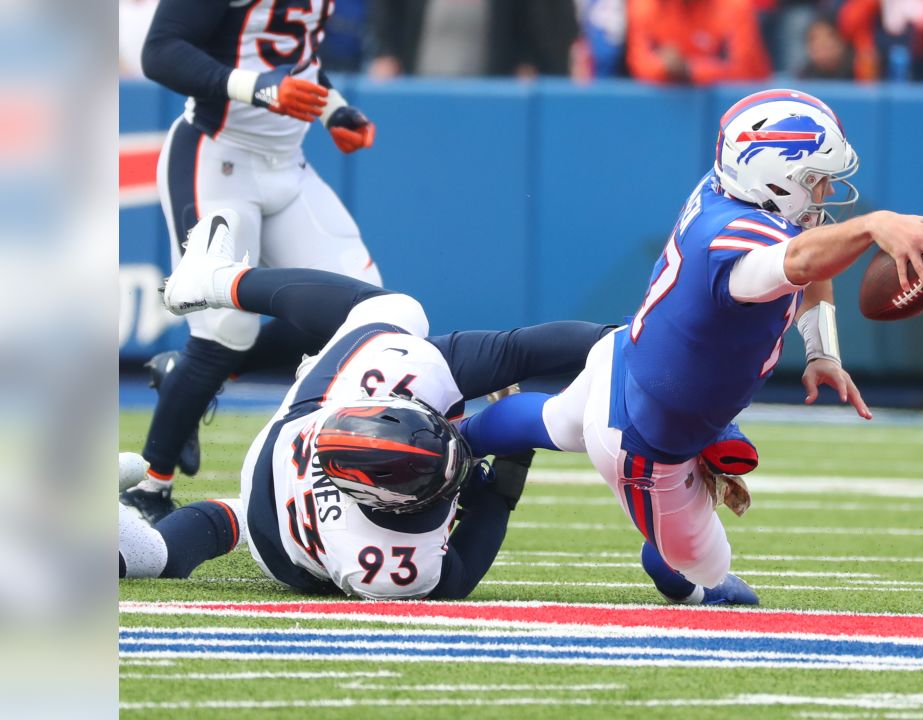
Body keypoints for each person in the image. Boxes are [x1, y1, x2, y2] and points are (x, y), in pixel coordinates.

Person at [458, 89, 923, 605]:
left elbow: (812, 252)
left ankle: (452, 441)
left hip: (626, 361)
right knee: (707, 579)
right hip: (649, 440)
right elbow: (805, 262)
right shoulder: (734, 245)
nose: (828, 189)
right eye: (815, 178)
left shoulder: (734, 191)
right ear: (773, 178)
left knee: (556, 422)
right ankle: (664, 544)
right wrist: (876, 224)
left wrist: (821, 351)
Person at [119, 210, 612, 599]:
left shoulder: (380, 370)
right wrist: (503, 484)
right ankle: (215, 282)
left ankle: (214, 281)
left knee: (393, 312)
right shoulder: (385, 562)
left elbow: (518, 353)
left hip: (303, 439)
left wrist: (618, 341)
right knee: (408, 320)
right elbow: (454, 577)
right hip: (289, 538)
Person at [124, 0, 382, 525]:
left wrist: (334, 109)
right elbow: (161, 52)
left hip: (289, 167)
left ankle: (186, 378)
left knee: (367, 317)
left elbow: (293, 51)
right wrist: (258, 88)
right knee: (225, 329)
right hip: (218, 155)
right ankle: (151, 487)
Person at [626, 0, 771, 85]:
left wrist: (690, 70)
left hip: (734, 108)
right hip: (663, 110)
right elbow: (639, 64)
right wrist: (665, 68)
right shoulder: (643, 5)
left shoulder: (735, 5)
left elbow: (745, 71)